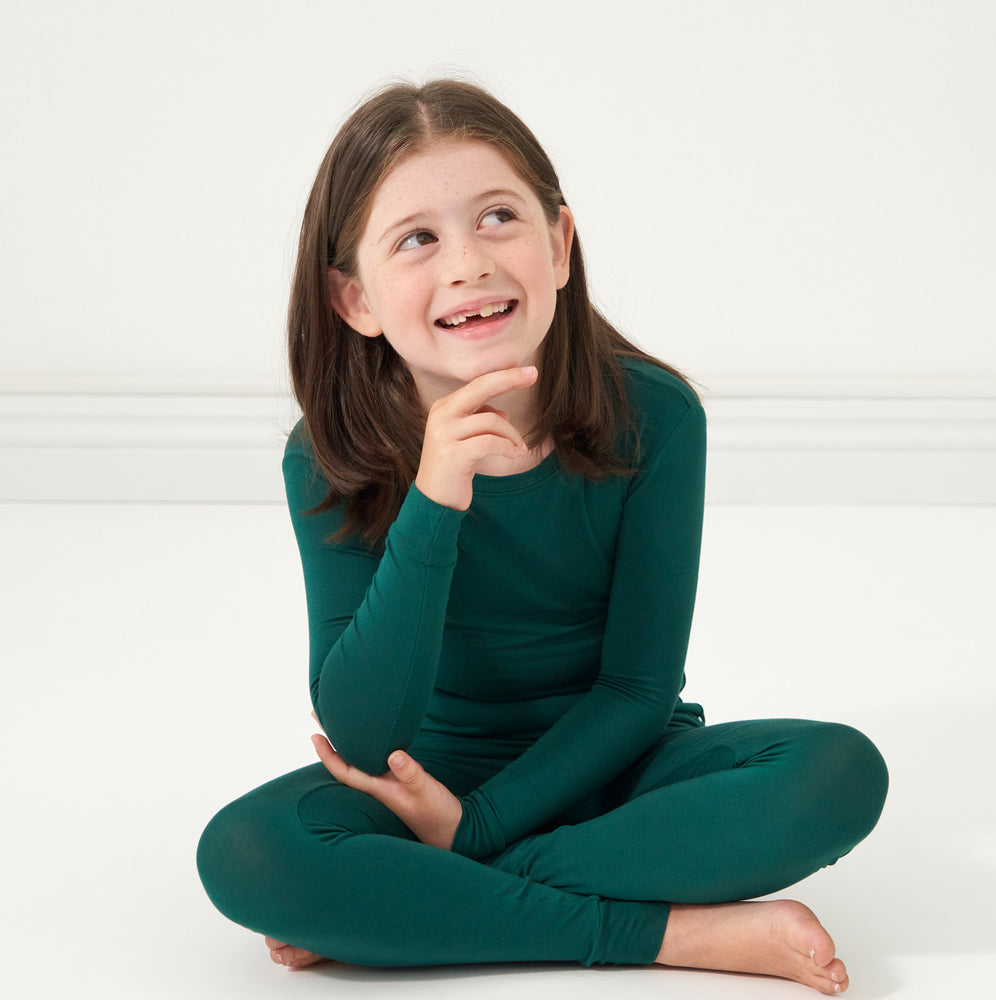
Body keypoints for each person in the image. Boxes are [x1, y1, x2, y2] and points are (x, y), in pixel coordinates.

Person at [196, 79, 888, 995]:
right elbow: (363, 736)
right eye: (417, 239)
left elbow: (637, 688)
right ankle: (677, 935)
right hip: (419, 786)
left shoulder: (655, 416)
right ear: (354, 298)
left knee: (837, 773)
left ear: (559, 245)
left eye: (497, 218)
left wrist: (475, 833)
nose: (468, 264)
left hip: (616, 771)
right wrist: (435, 498)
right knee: (249, 854)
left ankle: (421, 906)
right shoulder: (329, 457)